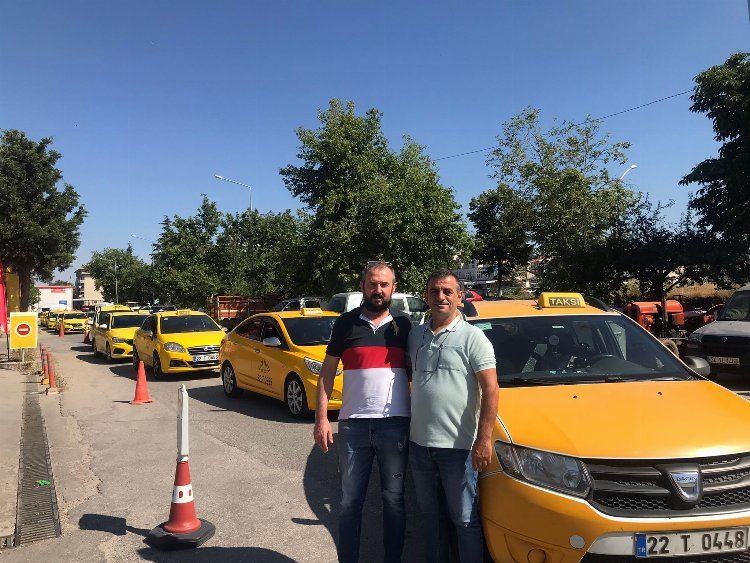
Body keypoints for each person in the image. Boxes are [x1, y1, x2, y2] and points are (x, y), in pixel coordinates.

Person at [314, 261, 413, 563]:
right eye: (372, 284)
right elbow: (327, 374)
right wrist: (321, 419)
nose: (378, 290)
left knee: (394, 501)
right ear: (362, 286)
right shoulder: (345, 323)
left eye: (384, 284)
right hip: (353, 426)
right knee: (349, 503)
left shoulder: (405, 325)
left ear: (393, 288)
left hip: (395, 425)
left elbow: (420, 373)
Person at [408, 269, 499, 563]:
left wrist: (484, 440)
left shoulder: (473, 338)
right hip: (419, 445)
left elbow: (492, 389)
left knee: (464, 519)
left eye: (448, 291)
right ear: (426, 297)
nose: (441, 297)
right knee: (430, 516)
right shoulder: (415, 335)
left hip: (458, 449)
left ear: (460, 297)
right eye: (434, 291)